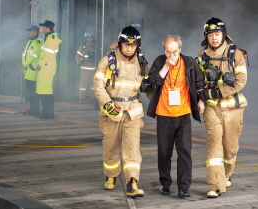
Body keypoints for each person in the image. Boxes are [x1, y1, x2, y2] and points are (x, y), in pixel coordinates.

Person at [93, 26, 152, 198]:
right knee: (110, 145)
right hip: (112, 110)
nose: (129, 48)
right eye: (126, 44)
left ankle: (132, 182)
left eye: (133, 45)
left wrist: (158, 102)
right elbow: (98, 86)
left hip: (133, 112)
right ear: (119, 43)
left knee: (132, 148)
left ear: (137, 46)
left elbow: (149, 87)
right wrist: (107, 105)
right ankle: (110, 176)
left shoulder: (142, 62)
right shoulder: (108, 61)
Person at [147, 35, 205, 198]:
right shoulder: (160, 62)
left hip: (183, 114)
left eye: (174, 51)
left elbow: (200, 81)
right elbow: (153, 81)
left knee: (185, 151)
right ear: (164, 51)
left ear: (180, 49)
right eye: (168, 52)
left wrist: (201, 100)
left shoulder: (189, 62)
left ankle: (183, 187)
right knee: (164, 152)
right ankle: (165, 184)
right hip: (164, 115)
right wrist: (166, 66)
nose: (171, 55)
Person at [196, 17, 248, 198]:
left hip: (232, 108)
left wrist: (218, 92)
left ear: (223, 34)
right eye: (210, 35)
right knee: (214, 144)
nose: (214, 38)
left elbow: (241, 81)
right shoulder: (201, 55)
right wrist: (200, 99)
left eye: (217, 34)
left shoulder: (236, 54)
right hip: (212, 110)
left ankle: (226, 174)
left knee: (230, 148)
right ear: (206, 37)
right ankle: (215, 184)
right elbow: (197, 81)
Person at [35, 20, 62, 119]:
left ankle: (48, 113)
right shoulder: (48, 38)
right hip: (45, 66)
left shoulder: (52, 39)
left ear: (48, 28)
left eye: (43, 27)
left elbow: (48, 54)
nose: (42, 29)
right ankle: (45, 112)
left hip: (47, 66)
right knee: (43, 90)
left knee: (46, 90)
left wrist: (40, 64)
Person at [22, 25, 42, 116]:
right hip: (28, 71)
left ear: (35, 32)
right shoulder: (30, 41)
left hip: (33, 71)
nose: (28, 32)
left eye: (30, 31)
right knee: (31, 93)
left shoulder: (38, 42)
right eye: (28, 31)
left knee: (33, 93)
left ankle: (35, 109)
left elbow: (33, 56)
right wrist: (24, 65)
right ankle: (33, 108)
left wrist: (25, 64)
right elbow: (25, 55)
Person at [75, 31, 96, 104]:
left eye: (91, 38)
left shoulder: (96, 46)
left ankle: (93, 98)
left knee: (93, 84)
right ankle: (81, 98)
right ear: (86, 39)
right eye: (89, 38)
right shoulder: (83, 47)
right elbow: (78, 56)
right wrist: (79, 63)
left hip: (93, 68)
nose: (90, 39)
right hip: (84, 68)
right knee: (83, 84)